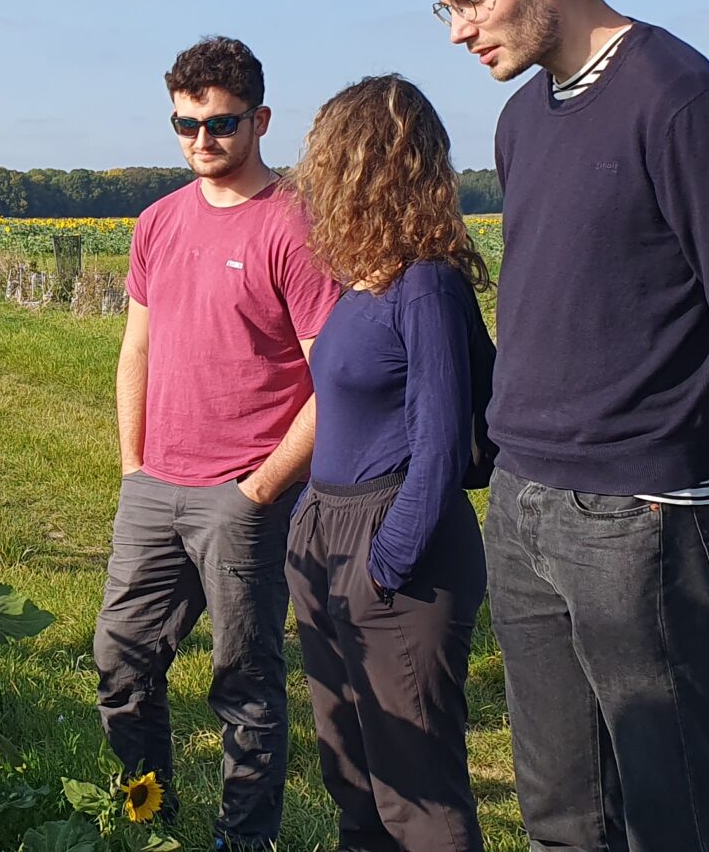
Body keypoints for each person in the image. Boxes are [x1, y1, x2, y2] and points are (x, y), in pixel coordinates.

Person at [427, 0, 709, 849]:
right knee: (561, 814)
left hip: (640, 513)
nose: (459, 29)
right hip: (522, 497)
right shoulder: (522, 118)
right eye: (447, 8)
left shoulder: (679, 100)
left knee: (678, 814)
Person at [94, 37, 340, 850]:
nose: (202, 139)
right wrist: (133, 466)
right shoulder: (158, 221)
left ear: (261, 120)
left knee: (245, 681)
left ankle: (245, 837)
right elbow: (136, 348)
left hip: (245, 493)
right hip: (154, 486)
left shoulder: (297, 226)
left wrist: (261, 488)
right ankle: (148, 816)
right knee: (120, 660)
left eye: (221, 123)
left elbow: (334, 380)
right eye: (185, 124)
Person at [284, 74, 493, 851]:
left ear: (364, 165)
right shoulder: (360, 287)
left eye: (325, 161)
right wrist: (309, 531)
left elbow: (442, 446)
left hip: (397, 542)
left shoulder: (425, 286)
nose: (312, 181)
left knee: (418, 794)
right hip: (329, 534)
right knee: (355, 783)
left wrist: (387, 562)